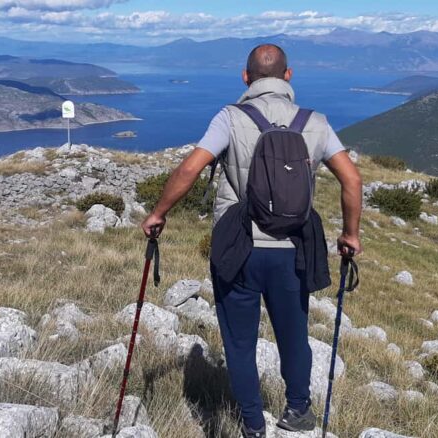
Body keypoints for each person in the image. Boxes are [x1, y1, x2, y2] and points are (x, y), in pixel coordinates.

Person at [140, 44, 362, 437]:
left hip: (238, 247)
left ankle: (253, 425)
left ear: (246, 77)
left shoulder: (231, 117)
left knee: (240, 343)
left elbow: (191, 167)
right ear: (288, 76)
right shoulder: (316, 122)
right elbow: (352, 179)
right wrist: (350, 234)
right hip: (293, 250)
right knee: (294, 335)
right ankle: (298, 411)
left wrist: (159, 213)